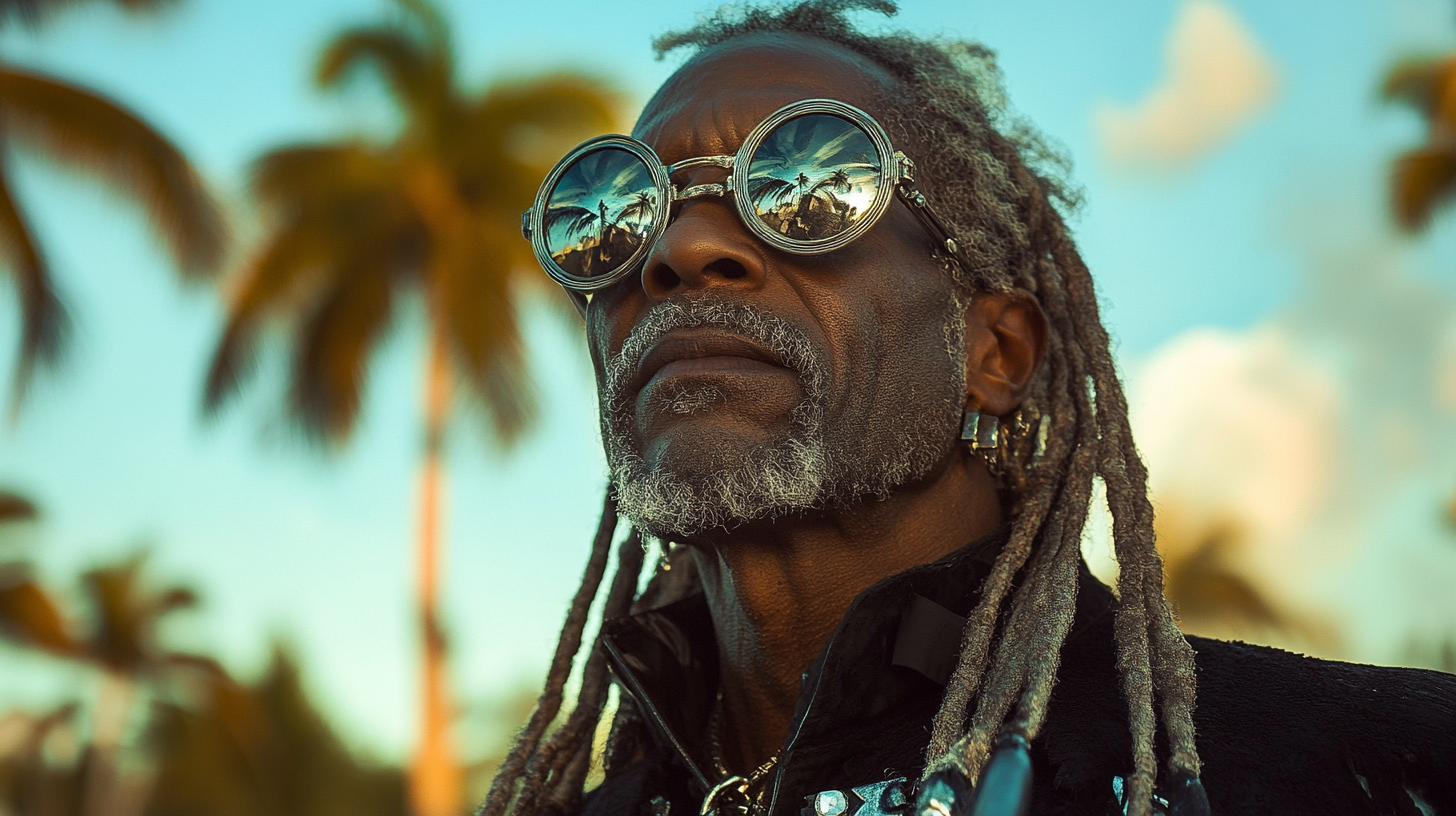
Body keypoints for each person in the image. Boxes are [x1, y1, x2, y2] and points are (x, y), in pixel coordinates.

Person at [480, 3, 1456, 815]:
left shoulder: (1362, 767)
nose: (678, 251)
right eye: (611, 207)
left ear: (995, 355)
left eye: (806, 183)